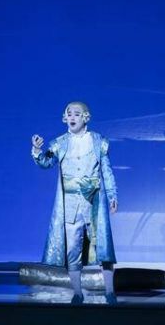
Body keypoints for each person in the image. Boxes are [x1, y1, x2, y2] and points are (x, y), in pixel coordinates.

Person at [31, 101, 118, 304]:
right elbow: (46, 162)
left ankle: (110, 291)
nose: (72, 117)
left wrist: (112, 195)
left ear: (85, 117)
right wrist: (36, 150)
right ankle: (77, 293)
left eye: (76, 114)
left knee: (103, 248)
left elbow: (106, 171)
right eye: (69, 113)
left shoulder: (98, 141)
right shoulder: (59, 143)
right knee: (72, 249)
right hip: (70, 204)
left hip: (94, 201)